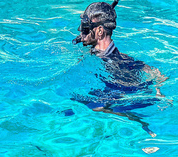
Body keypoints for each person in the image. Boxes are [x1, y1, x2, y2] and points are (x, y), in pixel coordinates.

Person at [72, 1, 167, 136]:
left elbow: (110, 102)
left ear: (99, 31)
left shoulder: (109, 63)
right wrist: (159, 92)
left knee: (93, 107)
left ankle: (143, 128)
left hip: (128, 101)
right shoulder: (123, 57)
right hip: (134, 97)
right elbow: (155, 72)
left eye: (85, 28)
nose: (81, 32)